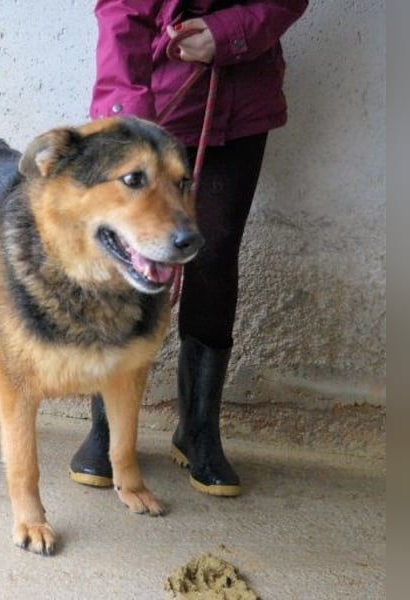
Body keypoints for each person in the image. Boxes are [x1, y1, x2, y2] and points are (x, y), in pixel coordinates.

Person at [69, 0, 308, 497]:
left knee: (215, 254)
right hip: (156, 96)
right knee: (130, 250)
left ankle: (198, 430)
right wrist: (127, 127)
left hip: (243, 101)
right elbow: (122, 11)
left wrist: (231, 32)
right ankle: (108, 426)